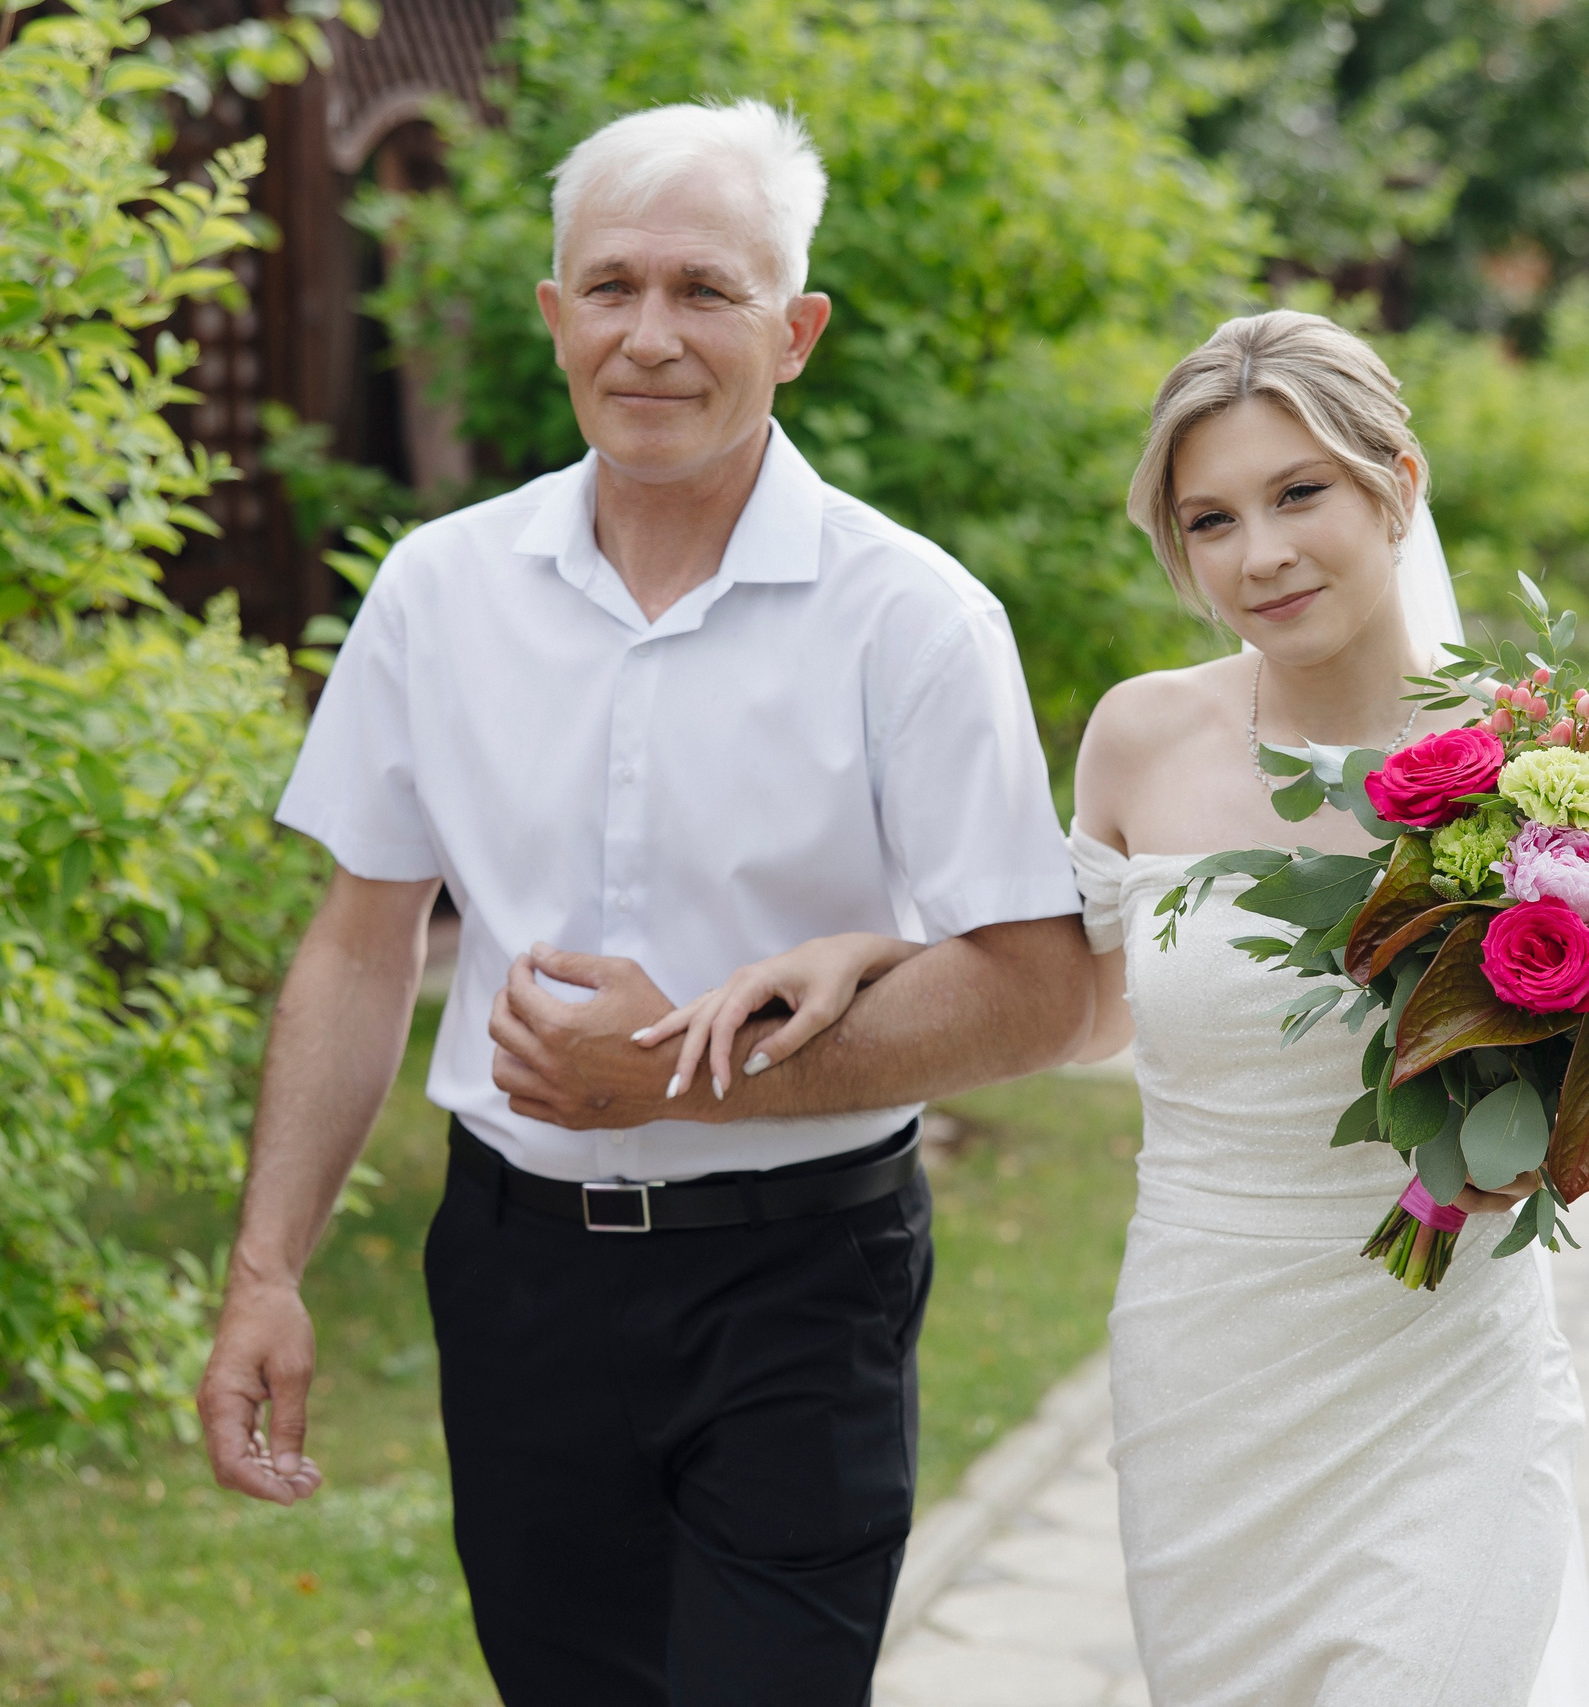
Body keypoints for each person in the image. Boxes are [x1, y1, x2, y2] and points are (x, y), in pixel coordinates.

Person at [195, 99, 1093, 1706]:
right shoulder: (439, 590)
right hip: (513, 1272)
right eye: (611, 288)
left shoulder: (915, 617)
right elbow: (358, 938)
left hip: (802, 1281)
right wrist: (269, 1269)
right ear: (553, 319)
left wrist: (685, 1074)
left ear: (797, 330)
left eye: (708, 291)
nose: (653, 337)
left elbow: (1032, 987)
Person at [654, 311, 1589, 1705]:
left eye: (1300, 493)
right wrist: (875, 949)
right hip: (1212, 1368)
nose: (1259, 553)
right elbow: (1089, 1007)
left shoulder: (1551, 771)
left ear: (1397, 482)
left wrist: (1565, 1139)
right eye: (1209, 520)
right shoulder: (1143, 735)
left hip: (1441, 1370)